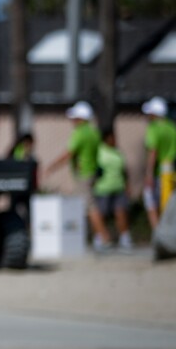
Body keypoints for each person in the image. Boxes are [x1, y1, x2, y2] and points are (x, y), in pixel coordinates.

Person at [45, 101, 108, 251]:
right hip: (92, 172)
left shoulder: (80, 133)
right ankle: (92, 237)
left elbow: (69, 153)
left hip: (83, 174)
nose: (72, 121)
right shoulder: (94, 132)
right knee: (86, 206)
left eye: (75, 118)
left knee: (89, 206)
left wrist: (51, 167)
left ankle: (103, 236)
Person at [140, 96, 176, 230]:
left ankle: (158, 233)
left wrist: (148, 174)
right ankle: (168, 231)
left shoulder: (154, 128)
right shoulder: (173, 127)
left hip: (158, 171)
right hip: (171, 169)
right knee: (167, 203)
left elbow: (153, 152)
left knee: (150, 201)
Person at [92, 131, 132, 251]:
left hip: (118, 186)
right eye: (111, 138)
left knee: (120, 211)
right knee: (101, 213)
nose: (114, 141)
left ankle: (125, 237)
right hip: (103, 187)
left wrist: (127, 184)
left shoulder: (117, 152)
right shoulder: (99, 152)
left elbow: (124, 170)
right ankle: (99, 237)